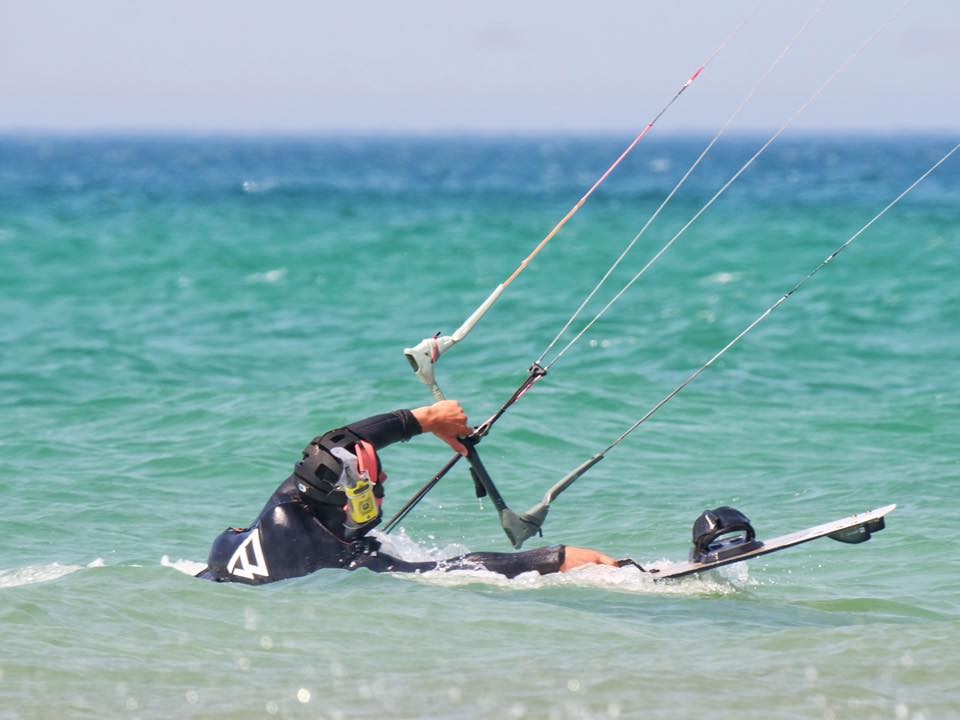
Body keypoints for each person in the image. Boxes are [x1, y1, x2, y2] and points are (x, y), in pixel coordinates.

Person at [196, 400, 617, 584]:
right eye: (376, 487)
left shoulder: (291, 501)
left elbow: (334, 444)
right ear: (353, 500)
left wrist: (428, 418)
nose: (385, 486)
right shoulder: (340, 558)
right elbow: (450, 570)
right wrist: (552, 559)